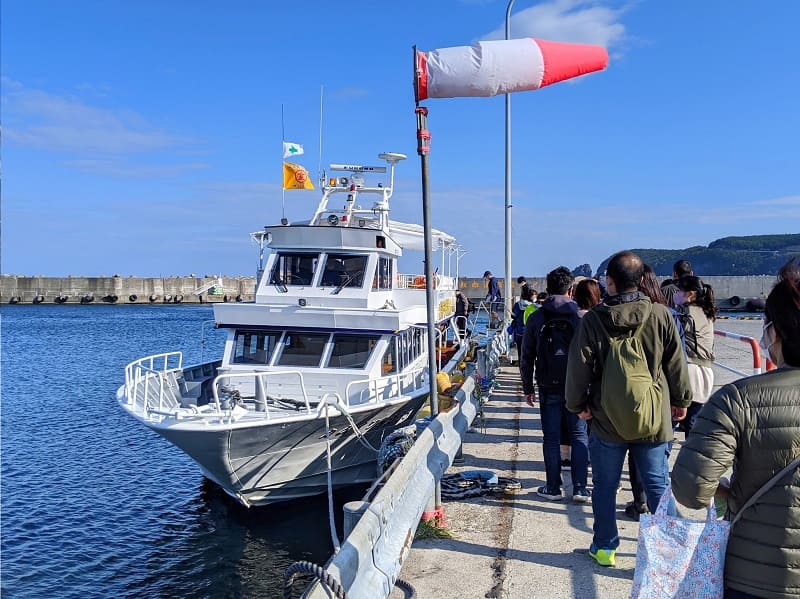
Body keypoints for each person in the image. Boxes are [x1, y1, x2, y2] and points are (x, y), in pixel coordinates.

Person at [672, 258, 800, 598]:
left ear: (773, 332)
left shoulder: (738, 399)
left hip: (755, 574)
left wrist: (728, 493)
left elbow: (690, 489)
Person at [565, 251, 692, 567]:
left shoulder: (594, 319)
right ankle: (672, 551)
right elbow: (676, 363)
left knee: (605, 487)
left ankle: (605, 547)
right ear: (640, 279)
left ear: (610, 281)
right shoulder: (661, 315)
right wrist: (681, 401)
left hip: (606, 418)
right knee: (658, 485)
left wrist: (577, 405)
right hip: (653, 415)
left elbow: (578, 368)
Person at [520, 266, 589, 503]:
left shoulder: (537, 316)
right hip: (577, 386)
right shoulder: (581, 317)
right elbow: (593, 356)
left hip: (547, 384)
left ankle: (552, 488)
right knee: (579, 435)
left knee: (550, 437)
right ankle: (580, 488)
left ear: (548, 290)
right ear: (571, 290)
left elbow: (526, 354)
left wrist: (527, 386)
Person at [673, 274, 717, 432]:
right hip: (706, 372)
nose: (676, 294)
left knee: (675, 421)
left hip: (689, 370)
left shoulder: (685, 313)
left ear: (690, 294)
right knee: (693, 422)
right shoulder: (707, 312)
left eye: (679, 291)